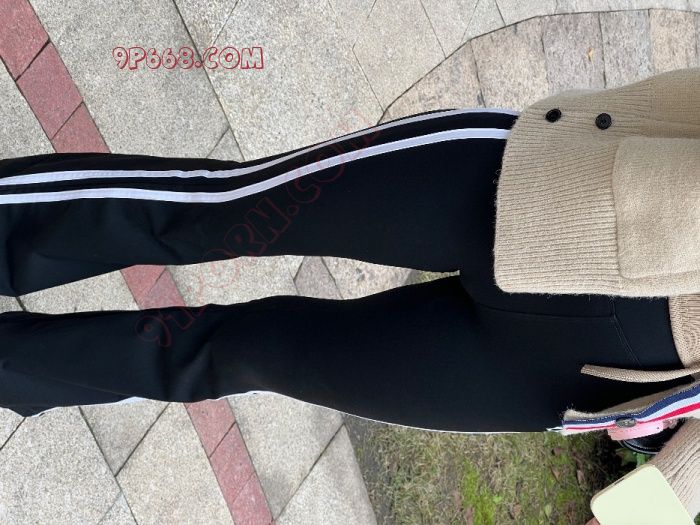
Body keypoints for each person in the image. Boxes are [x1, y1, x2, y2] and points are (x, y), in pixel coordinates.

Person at [0, 68, 697, 519]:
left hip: (586, 375)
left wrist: (655, 502)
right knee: (220, 213)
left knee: (237, 356)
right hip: (553, 190)